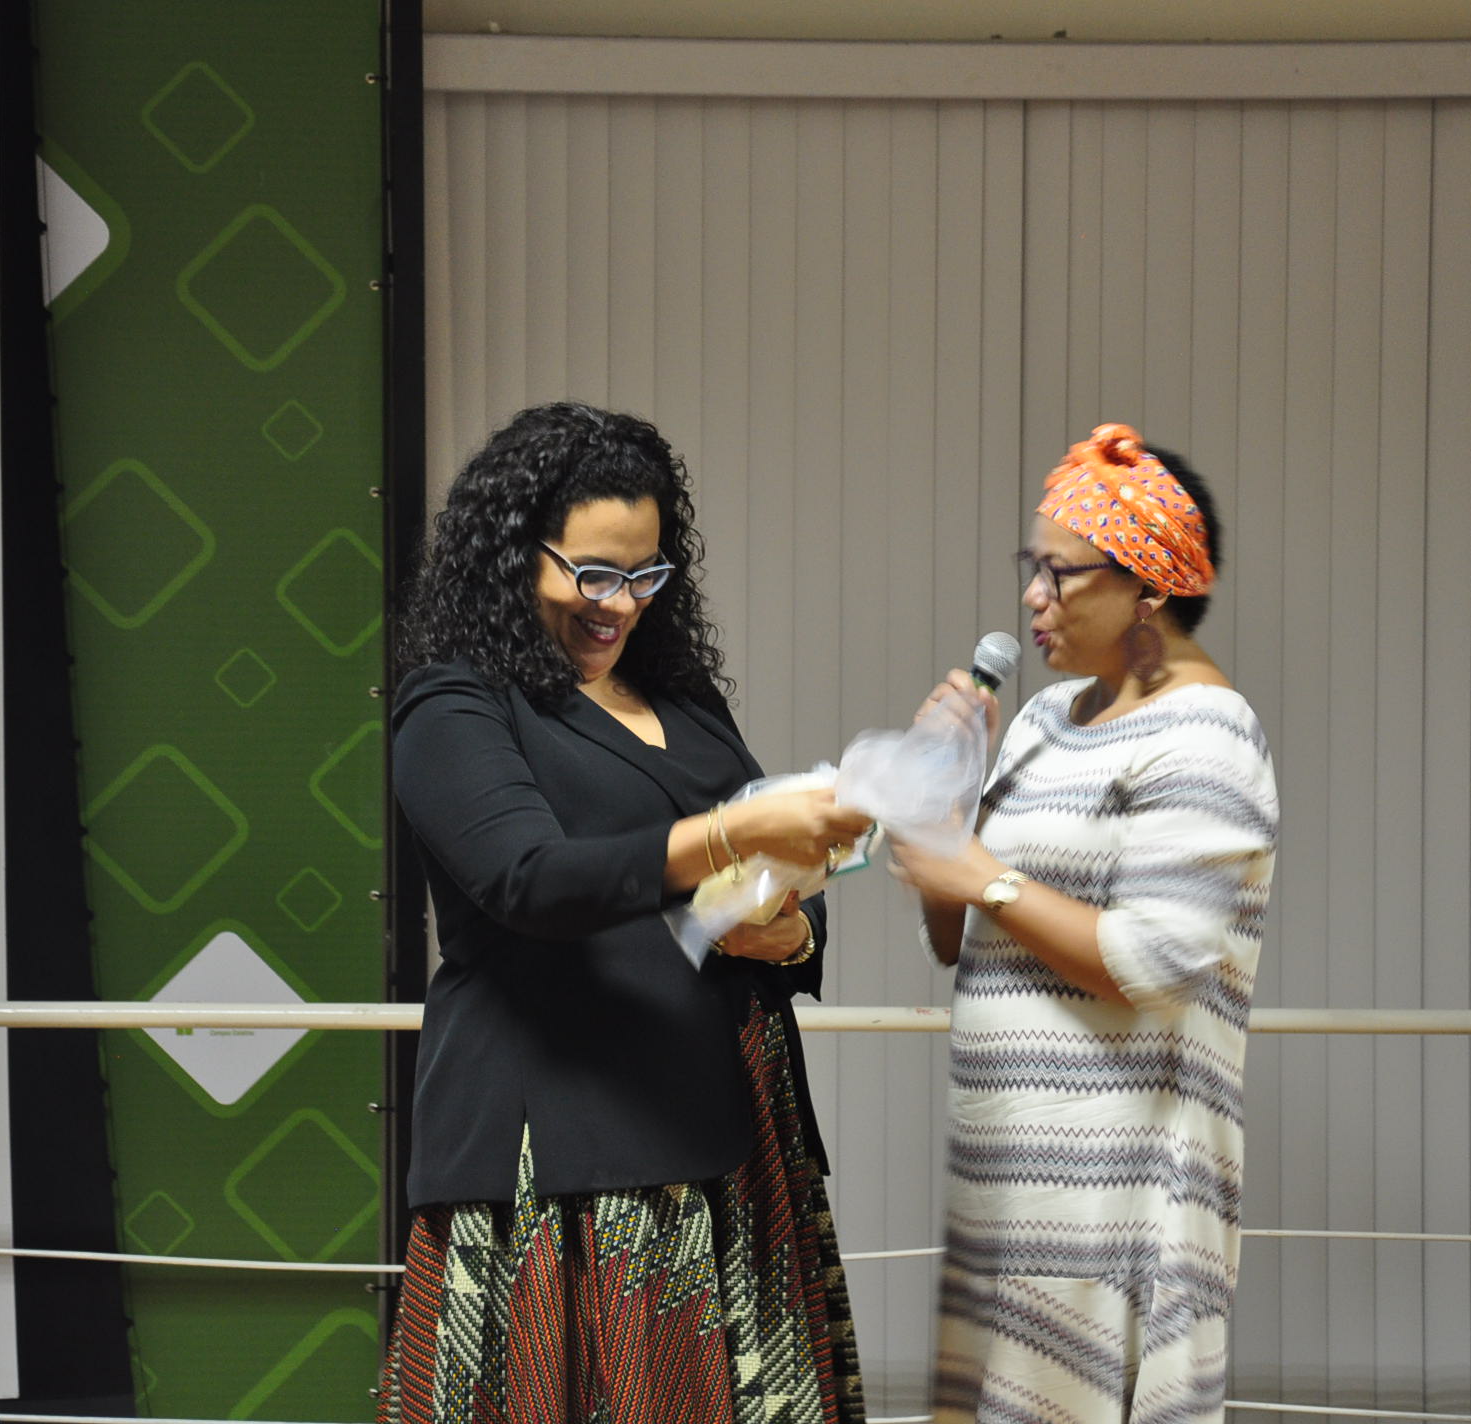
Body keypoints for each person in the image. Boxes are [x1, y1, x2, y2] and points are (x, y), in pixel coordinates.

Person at [379, 401, 871, 1424]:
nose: (620, 605)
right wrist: (730, 834)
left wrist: (789, 931)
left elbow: (768, 882)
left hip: (730, 1128)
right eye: (593, 573)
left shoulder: (678, 698)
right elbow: (529, 879)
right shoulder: (454, 702)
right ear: (513, 556)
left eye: (645, 576)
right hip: (569, 1148)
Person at [890, 423, 1279, 1424]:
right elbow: (962, 939)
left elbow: (1151, 962)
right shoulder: (1044, 717)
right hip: (1008, 1187)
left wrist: (977, 871)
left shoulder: (1208, 732)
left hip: (1113, 1199)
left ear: (1147, 587)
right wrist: (941, 818)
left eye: (1060, 574)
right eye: (1031, 568)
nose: (1033, 596)